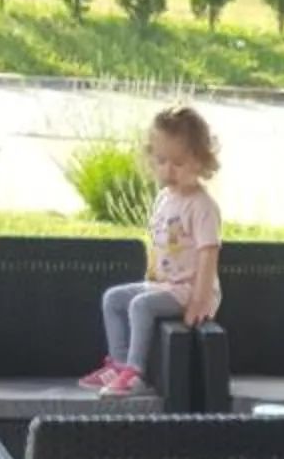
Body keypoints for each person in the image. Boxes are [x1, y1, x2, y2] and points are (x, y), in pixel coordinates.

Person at [81, 107, 222, 396]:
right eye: (161, 161)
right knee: (113, 299)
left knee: (140, 306)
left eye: (178, 163)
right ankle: (118, 364)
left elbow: (209, 253)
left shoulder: (202, 206)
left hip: (188, 289)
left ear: (200, 160)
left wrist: (200, 300)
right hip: (163, 284)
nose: (168, 170)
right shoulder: (164, 198)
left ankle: (136, 373)